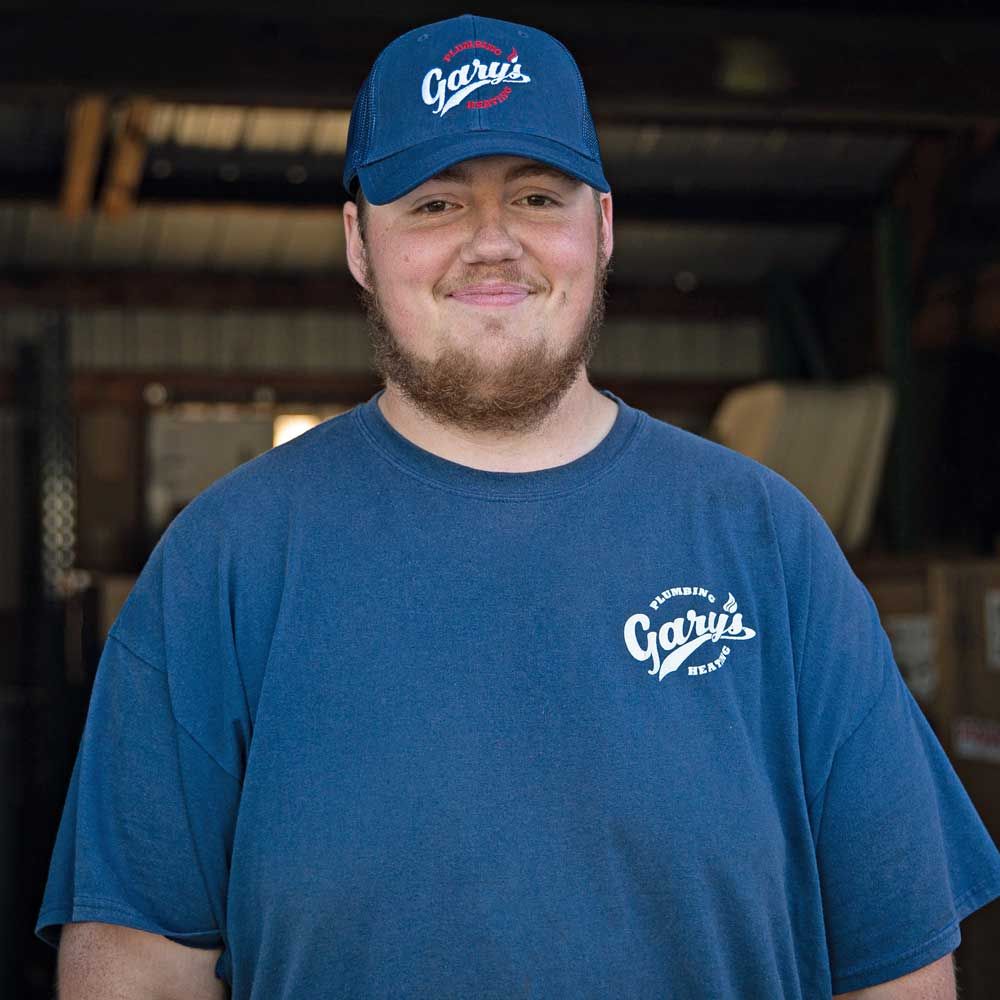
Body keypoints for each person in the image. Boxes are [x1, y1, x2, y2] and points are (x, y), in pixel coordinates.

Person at [35, 13, 1000, 1000]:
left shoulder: (765, 542)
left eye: (537, 196)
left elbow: (899, 969)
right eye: (434, 204)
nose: (491, 244)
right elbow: (137, 968)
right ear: (359, 243)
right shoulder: (225, 561)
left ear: (605, 229)